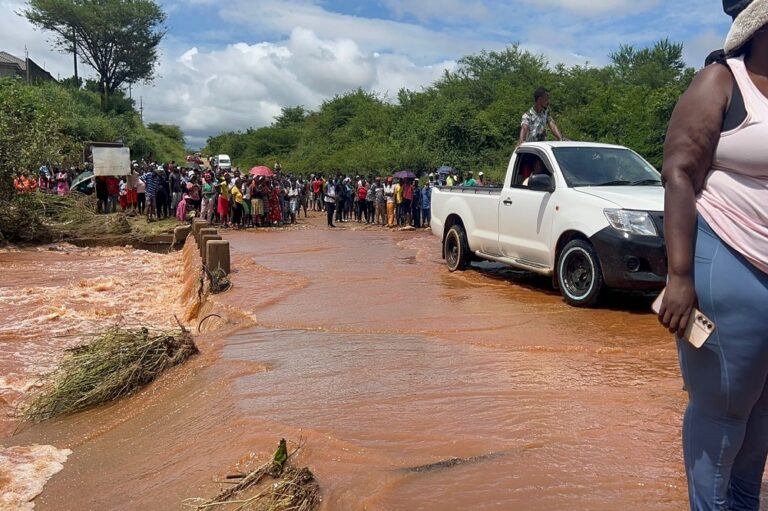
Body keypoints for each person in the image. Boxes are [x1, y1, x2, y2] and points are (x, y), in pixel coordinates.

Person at [658, 2, 768, 509]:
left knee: (762, 418)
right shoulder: (722, 82)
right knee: (723, 413)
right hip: (728, 262)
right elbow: (678, 171)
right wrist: (679, 276)